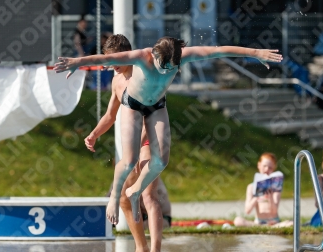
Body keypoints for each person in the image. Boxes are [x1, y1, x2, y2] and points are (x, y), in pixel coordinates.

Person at [55, 36, 283, 225]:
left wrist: (255, 53)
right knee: (129, 159)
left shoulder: (183, 55)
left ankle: (134, 192)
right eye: (164, 67)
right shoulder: (141, 57)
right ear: (154, 55)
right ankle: (114, 196)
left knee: (161, 161)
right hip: (132, 105)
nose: (167, 72)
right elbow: (107, 57)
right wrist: (77, 62)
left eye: (172, 69)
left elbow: (219, 50)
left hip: (157, 106)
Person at [84, 34, 166, 252]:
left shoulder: (145, 73)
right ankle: (140, 248)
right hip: (132, 148)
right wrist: (94, 134)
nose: (110, 66)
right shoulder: (117, 80)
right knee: (124, 197)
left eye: (115, 60)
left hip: (151, 141)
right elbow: (110, 114)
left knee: (149, 196)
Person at [234, 153, 293, 228]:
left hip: (274, 222)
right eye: (264, 166)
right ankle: (264, 227)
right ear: (259, 165)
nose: (267, 169)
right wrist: (257, 195)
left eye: (270, 168)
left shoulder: (275, 188)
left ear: (274, 168)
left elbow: (274, 211)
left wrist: (270, 196)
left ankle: (269, 227)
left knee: (292, 223)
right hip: (258, 222)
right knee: (238, 220)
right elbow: (247, 211)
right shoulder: (251, 187)